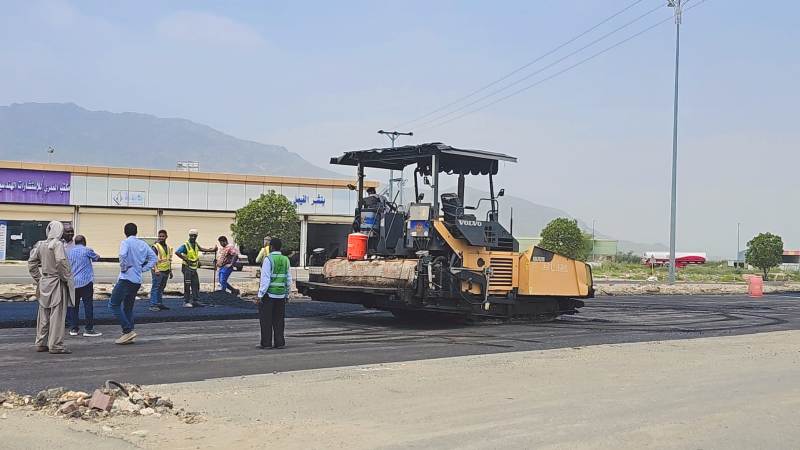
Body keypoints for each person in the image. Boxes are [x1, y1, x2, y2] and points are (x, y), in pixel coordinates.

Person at [28, 220, 74, 354]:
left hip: (45, 282)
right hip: (57, 283)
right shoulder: (57, 244)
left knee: (43, 315)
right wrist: (66, 277)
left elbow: (31, 263)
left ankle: (41, 342)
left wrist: (39, 278)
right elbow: (60, 261)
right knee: (57, 315)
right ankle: (56, 345)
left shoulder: (40, 244)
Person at [108, 223, 156, 345]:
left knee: (113, 304)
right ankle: (130, 333)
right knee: (128, 307)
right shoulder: (143, 244)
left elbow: (122, 255)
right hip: (136, 280)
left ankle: (127, 330)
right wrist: (143, 268)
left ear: (125, 232)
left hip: (126, 278)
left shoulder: (126, 242)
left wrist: (123, 267)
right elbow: (154, 258)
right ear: (136, 232)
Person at [256, 237, 292, 349]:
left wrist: (260, 295)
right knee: (279, 320)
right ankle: (279, 342)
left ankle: (266, 343)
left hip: (269, 295)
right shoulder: (286, 259)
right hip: (281, 295)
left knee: (266, 320)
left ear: (271, 247)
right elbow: (288, 279)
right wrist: (287, 294)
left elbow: (265, 279)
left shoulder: (268, 259)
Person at [66, 235, 102, 337]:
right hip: (86, 282)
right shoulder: (87, 250)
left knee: (74, 306)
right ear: (84, 242)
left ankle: (74, 329)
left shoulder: (69, 252)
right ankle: (89, 329)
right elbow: (97, 257)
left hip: (73, 283)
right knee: (88, 306)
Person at [175, 229, 216, 308]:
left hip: (194, 267)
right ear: (189, 236)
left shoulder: (196, 244)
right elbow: (177, 252)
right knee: (187, 284)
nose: (193, 237)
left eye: (195, 236)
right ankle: (186, 301)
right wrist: (186, 259)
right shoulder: (186, 245)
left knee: (196, 284)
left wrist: (212, 250)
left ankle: (195, 300)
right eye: (192, 236)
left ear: (197, 236)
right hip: (187, 267)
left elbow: (201, 249)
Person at [149, 229, 173, 312]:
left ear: (166, 237)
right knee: (156, 287)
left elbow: (169, 259)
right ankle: (153, 305)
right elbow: (152, 259)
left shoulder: (168, 248)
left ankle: (159, 303)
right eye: (160, 236)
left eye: (163, 236)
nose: (161, 238)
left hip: (166, 270)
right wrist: (156, 269)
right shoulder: (155, 247)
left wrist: (170, 271)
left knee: (161, 288)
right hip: (158, 271)